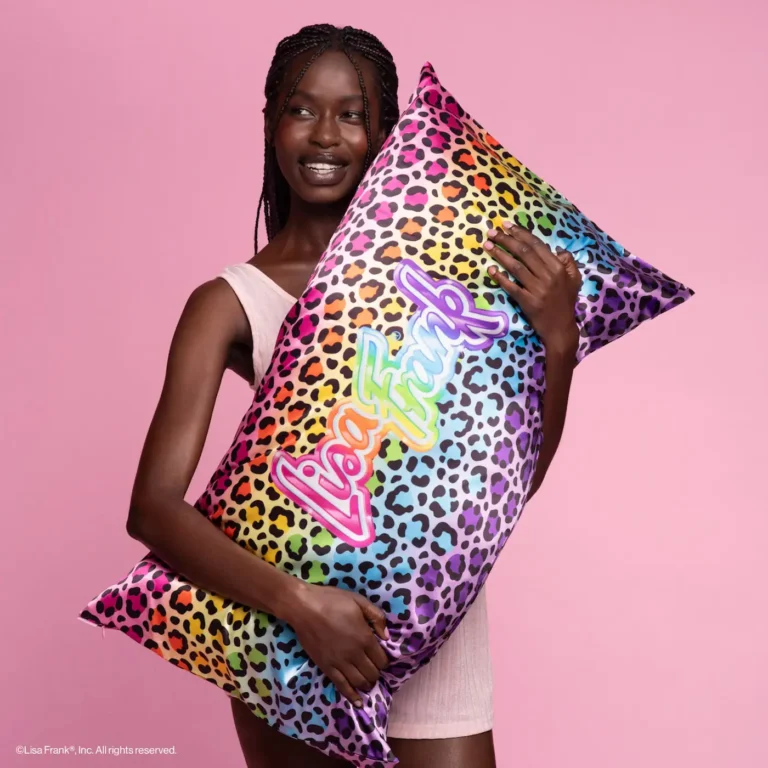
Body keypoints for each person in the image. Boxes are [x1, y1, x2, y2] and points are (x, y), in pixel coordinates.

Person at [125, 23, 581, 768]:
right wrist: (302, 608)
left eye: (351, 113)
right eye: (303, 110)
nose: (325, 135)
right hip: (295, 644)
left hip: (439, 634)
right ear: (271, 121)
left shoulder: (445, 282)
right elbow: (152, 509)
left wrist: (557, 345)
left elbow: (508, 486)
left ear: (383, 133)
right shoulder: (231, 301)